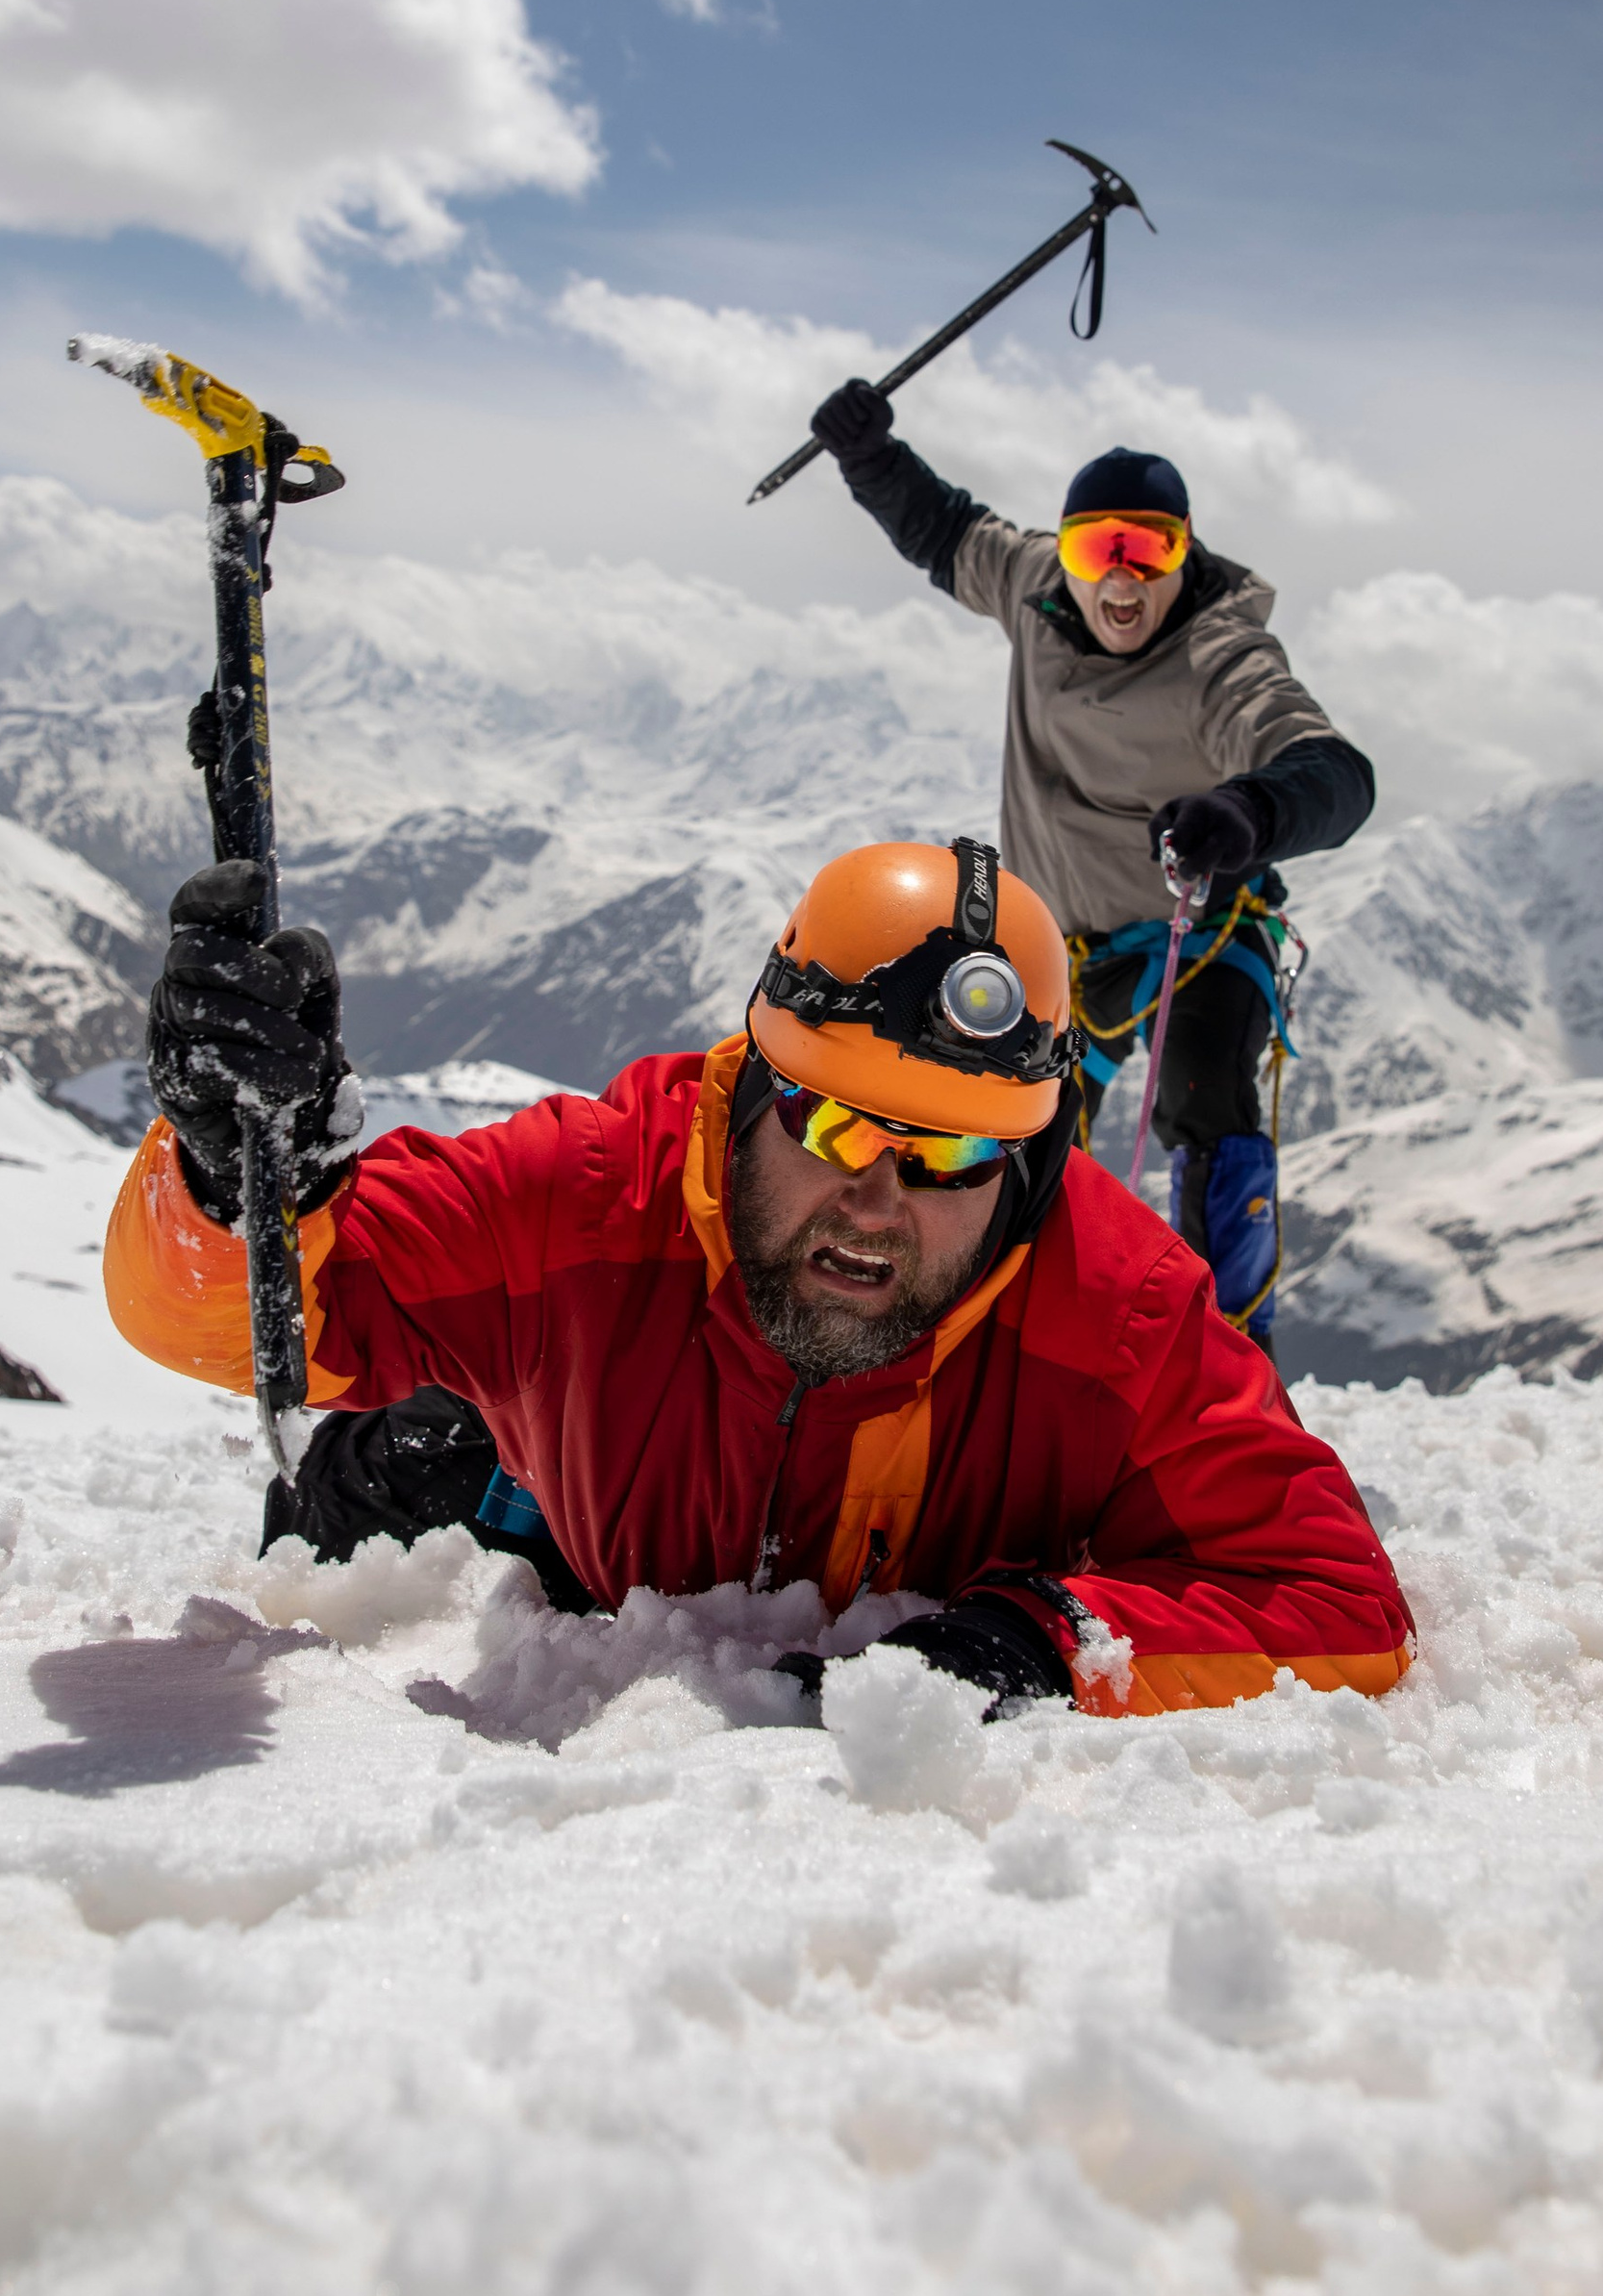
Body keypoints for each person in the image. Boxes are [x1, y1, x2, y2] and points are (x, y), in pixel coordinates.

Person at [104, 836, 1413, 1720]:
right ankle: (477, 1440)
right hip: (574, 1496)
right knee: (349, 1487)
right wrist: (232, 1185)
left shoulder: (1116, 1314)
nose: (877, 1197)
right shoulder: (593, 1190)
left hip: (669, 1506)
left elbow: (1339, 1605)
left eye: (949, 1154)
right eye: (838, 1124)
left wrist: (1047, 1639)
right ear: (755, 1093)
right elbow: (225, 1320)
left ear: (1031, 1157)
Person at [806, 391, 1376, 1349]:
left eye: (1146, 547)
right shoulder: (1033, 591)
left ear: (1184, 551)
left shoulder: (1218, 655)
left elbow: (1336, 775)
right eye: (1092, 549)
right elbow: (941, 529)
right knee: (1017, 1140)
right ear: (1061, 556)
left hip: (1204, 928)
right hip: (1057, 948)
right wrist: (870, 456)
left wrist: (1246, 810)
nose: (1119, 575)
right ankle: (1000, 1344)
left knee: (1208, 1107)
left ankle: (1233, 1365)